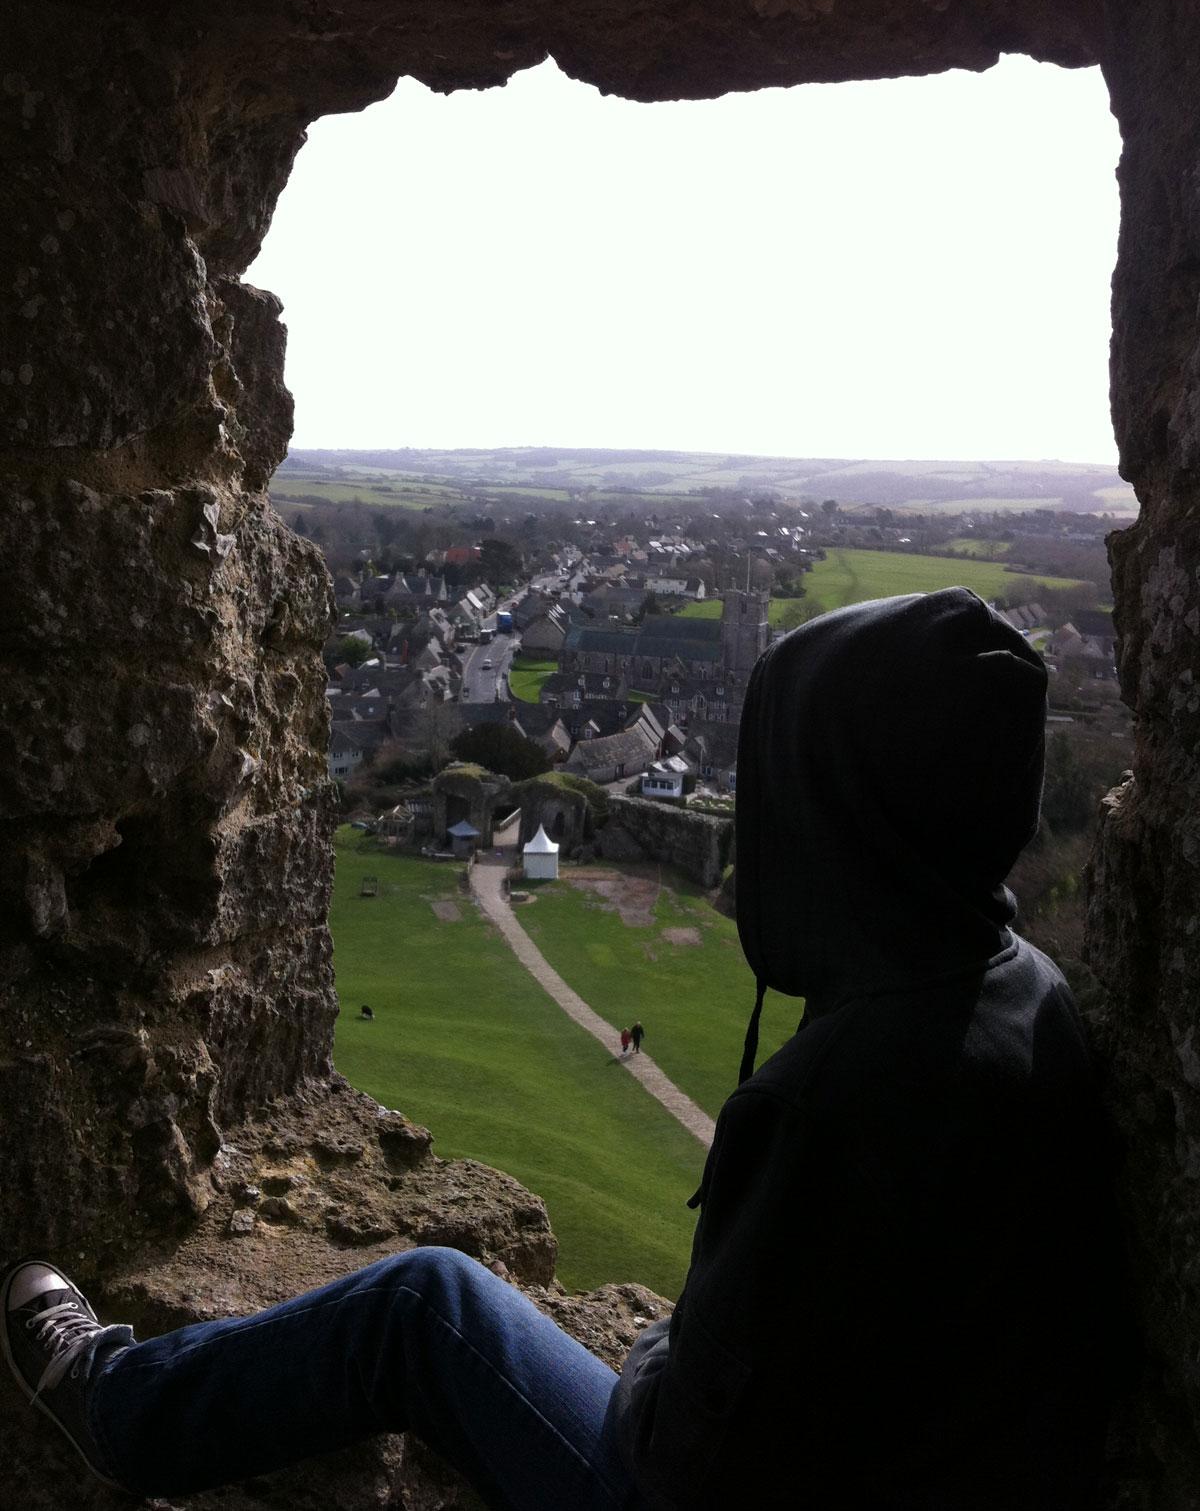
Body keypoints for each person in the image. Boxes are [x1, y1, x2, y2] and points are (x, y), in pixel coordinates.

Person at [2, 590, 1129, 1509]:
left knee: (423, 1303)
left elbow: (685, 1457)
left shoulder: (835, 1097)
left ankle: (123, 1408)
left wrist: (650, 1353)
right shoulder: (1026, 991)